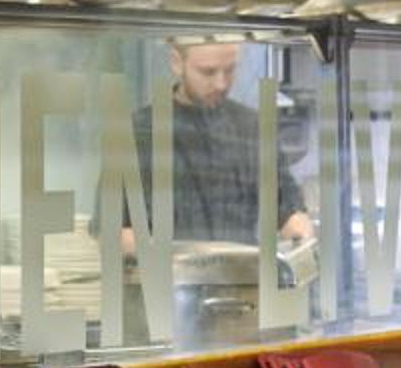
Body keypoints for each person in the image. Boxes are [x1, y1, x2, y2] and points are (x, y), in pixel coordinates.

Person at [129, 40, 312, 247]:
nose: (221, 84)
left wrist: (300, 237)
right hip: (169, 267)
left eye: (230, 70)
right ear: (177, 63)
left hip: (243, 266)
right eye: (208, 72)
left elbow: (289, 209)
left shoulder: (252, 128)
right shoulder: (141, 132)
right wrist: (185, 258)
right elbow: (119, 232)